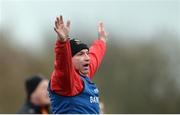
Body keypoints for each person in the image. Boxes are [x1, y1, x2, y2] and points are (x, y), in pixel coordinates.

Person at [48, 15, 107, 114]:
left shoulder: (83, 76)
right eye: (80, 54)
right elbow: (62, 65)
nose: (87, 58)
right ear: (69, 60)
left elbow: (95, 56)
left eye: (86, 53)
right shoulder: (66, 81)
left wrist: (102, 41)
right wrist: (62, 43)